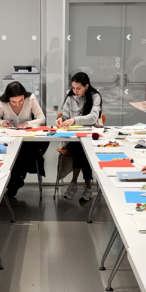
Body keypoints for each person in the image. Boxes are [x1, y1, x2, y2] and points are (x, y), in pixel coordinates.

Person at [0, 82, 48, 197]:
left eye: (21, 100)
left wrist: (27, 123)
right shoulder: (1, 103)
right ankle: (16, 179)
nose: (18, 104)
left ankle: (15, 179)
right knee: (9, 150)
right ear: (8, 99)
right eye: (13, 102)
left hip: (27, 139)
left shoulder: (30, 99)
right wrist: (3, 122)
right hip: (9, 138)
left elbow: (41, 119)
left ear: (24, 96)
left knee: (21, 150)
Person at [56, 73, 102, 202]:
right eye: (73, 88)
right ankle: (88, 187)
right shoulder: (70, 97)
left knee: (82, 148)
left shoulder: (95, 96)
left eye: (78, 88)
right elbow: (64, 115)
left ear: (86, 86)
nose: (75, 91)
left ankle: (74, 182)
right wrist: (61, 120)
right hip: (73, 138)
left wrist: (74, 120)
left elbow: (93, 118)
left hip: (89, 138)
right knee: (81, 148)